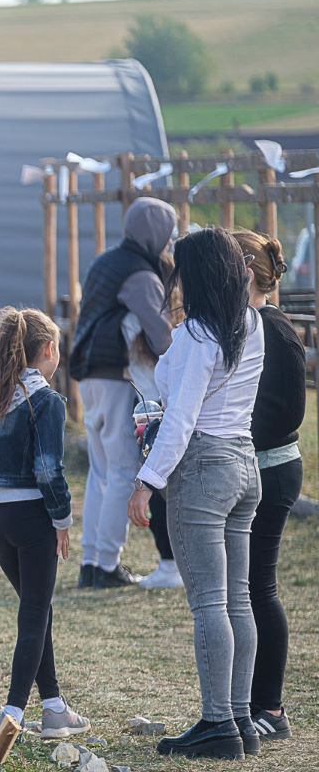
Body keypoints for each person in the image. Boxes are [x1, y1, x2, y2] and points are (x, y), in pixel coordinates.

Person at [128, 227, 265, 760]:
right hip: (244, 463)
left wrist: (146, 483)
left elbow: (181, 420)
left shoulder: (196, 336)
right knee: (237, 600)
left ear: (197, 275)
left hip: (204, 466)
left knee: (209, 603)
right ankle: (240, 718)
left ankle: (217, 724)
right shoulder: (249, 323)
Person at [0, 306, 90, 739]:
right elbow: (48, 471)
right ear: (48, 350)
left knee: (37, 609)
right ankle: (14, 713)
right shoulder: (46, 401)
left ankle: (54, 706)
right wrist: (62, 519)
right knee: (35, 612)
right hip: (31, 515)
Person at [71, 197, 176, 588]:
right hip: (116, 375)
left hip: (88, 375)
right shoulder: (140, 275)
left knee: (100, 472)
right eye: (167, 235)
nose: (169, 244)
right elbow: (161, 334)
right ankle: (107, 566)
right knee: (119, 473)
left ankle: (91, 561)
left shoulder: (106, 260)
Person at [232, 229, 305, 742]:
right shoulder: (246, 324)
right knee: (247, 587)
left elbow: (286, 411)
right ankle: (251, 701)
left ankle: (272, 709)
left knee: (260, 586)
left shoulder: (273, 330)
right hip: (251, 464)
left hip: (272, 468)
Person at [122, 312, 182, 589]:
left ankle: (170, 562)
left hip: (154, 420)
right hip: (161, 417)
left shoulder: (134, 333)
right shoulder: (172, 339)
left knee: (159, 492)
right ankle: (171, 562)